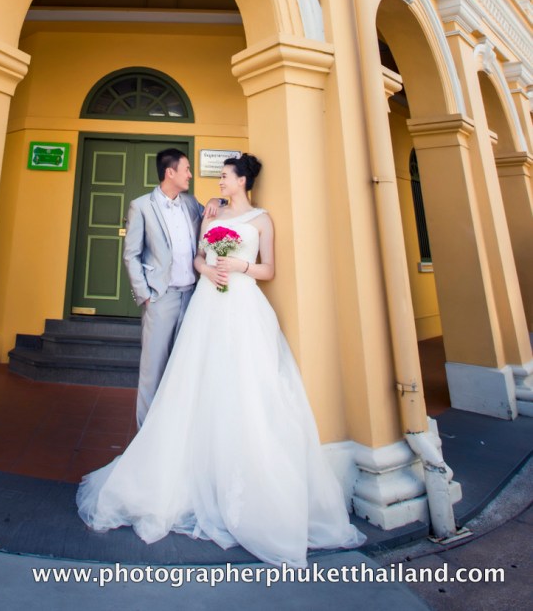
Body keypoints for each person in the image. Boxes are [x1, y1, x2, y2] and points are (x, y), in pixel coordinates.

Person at [77, 153, 366, 566]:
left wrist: (241, 265)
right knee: (185, 380)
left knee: (244, 385)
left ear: (242, 180)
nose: (218, 182)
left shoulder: (261, 220)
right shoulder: (208, 213)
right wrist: (207, 269)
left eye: (225, 176)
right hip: (206, 302)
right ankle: (161, 457)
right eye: (215, 177)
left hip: (243, 306)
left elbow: (269, 269)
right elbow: (196, 257)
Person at [122, 147, 220, 427]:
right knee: (152, 370)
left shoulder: (190, 203)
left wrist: (216, 199)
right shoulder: (141, 206)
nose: (190, 175)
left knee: (183, 367)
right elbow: (131, 255)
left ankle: (174, 430)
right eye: (186, 169)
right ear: (170, 172)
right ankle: (145, 435)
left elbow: (214, 216)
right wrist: (146, 295)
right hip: (161, 298)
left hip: (192, 296)